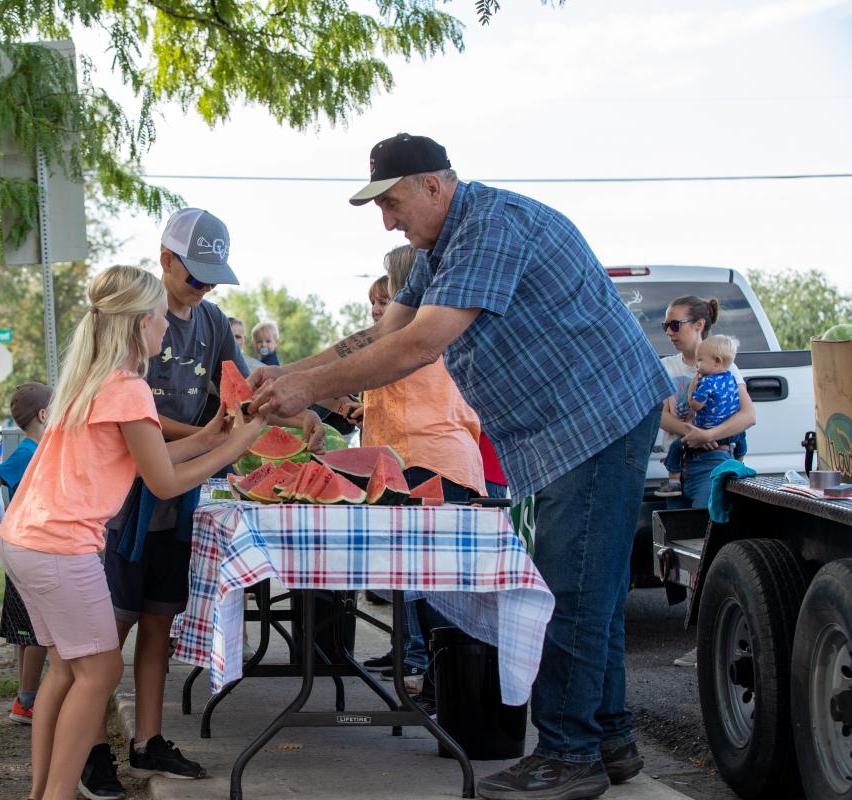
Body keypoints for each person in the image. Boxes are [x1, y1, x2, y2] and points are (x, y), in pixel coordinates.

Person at [249, 132, 675, 800]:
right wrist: (285, 378)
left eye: (391, 203)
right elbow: (386, 330)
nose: (387, 221)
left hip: (598, 415)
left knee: (571, 586)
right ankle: (610, 739)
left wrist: (303, 389)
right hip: (560, 426)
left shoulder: (491, 228)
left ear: (432, 185)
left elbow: (420, 344)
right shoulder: (438, 246)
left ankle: (569, 753)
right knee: (588, 585)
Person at [0, 264, 266, 800]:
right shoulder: (129, 388)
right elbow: (163, 483)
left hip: (23, 539)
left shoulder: (89, 378)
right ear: (141, 323)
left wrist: (213, 433)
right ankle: (56, 795)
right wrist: (241, 443)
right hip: (60, 546)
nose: (168, 329)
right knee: (97, 674)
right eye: (162, 320)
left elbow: (151, 456)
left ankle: (41, 794)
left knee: (65, 671)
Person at [86, 210, 326, 799]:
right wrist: (213, 437)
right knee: (104, 634)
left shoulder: (214, 321)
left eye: (215, 276)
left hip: (184, 488)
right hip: (125, 498)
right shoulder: (130, 316)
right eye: (197, 276)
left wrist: (299, 412)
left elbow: (240, 392)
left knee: (159, 621)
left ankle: (147, 740)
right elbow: (126, 411)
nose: (207, 287)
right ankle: (90, 750)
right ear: (165, 260)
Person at [353, 247, 486, 713]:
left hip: (426, 460)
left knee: (432, 587)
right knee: (432, 581)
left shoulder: (411, 332)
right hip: (439, 457)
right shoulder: (440, 325)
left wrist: (293, 384)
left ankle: (441, 685)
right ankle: (439, 684)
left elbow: (369, 362)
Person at [0, 382, 54, 724]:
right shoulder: (28, 452)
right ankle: (26, 702)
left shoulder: (40, 450)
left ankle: (26, 699)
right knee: (36, 633)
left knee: (34, 632)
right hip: (28, 549)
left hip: (34, 549)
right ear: (43, 415)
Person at [656, 296, 756, 509]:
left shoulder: (726, 368)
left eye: (675, 325)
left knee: (702, 532)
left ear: (699, 325)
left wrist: (709, 435)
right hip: (677, 468)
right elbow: (659, 415)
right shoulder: (666, 366)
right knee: (676, 538)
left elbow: (748, 416)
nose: (668, 332)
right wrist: (693, 432)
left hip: (712, 462)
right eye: (666, 326)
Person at [658, 334, 743, 496]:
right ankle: (739, 462)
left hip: (704, 429)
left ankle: (674, 480)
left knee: (676, 447)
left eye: (700, 361)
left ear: (717, 361)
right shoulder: (730, 378)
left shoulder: (707, 382)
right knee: (741, 437)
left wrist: (692, 388)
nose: (697, 365)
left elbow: (695, 404)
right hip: (726, 435)